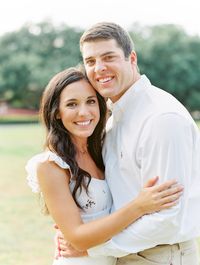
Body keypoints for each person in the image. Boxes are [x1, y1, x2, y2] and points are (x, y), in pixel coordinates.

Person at [58, 22, 200, 264]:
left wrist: (93, 248)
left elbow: (166, 220)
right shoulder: (112, 121)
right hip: (124, 254)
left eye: (108, 57)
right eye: (90, 61)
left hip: (159, 256)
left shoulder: (161, 119)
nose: (99, 68)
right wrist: (75, 232)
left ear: (131, 58)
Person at [26, 67, 183, 265]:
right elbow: (77, 238)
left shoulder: (103, 148)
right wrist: (139, 206)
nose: (83, 113)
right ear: (57, 112)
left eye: (90, 101)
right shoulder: (50, 166)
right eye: (72, 104)